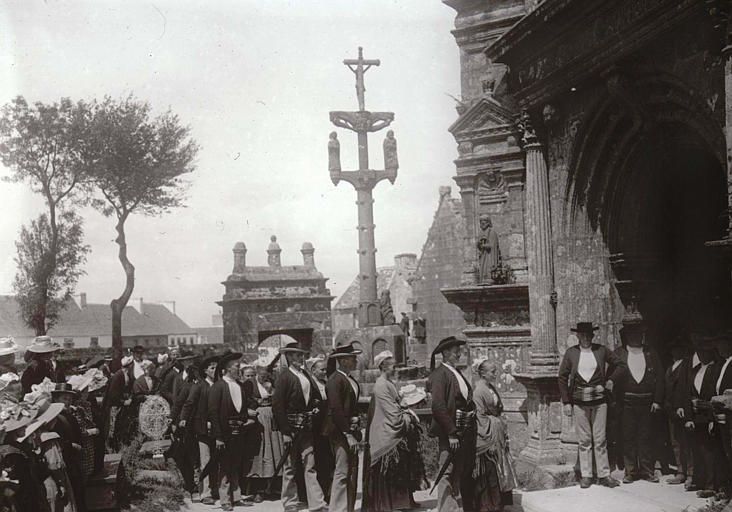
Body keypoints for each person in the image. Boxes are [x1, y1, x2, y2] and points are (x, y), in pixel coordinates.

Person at [557, 321, 625, 489]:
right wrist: (566, 402)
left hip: (600, 402)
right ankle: (586, 475)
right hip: (579, 403)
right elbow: (562, 377)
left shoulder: (601, 350)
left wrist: (610, 380)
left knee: (600, 439)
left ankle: (603, 475)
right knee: (585, 440)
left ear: (592, 336)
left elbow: (621, 365)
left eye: (589, 335)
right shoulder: (571, 353)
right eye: (582, 335)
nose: (586, 338)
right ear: (578, 337)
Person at [363, 351, 426, 512]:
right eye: (392, 365)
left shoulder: (388, 383)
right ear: (383, 366)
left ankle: (402, 501)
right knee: (391, 470)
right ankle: (392, 503)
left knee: (400, 469)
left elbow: (396, 406)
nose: (395, 368)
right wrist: (408, 417)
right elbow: (393, 414)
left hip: (391, 434)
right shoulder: (381, 385)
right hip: (386, 435)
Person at [272, 342, 326, 512]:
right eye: (295, 355)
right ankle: (289, 502)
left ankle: (317, 503)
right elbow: (278, 406)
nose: (299, 358)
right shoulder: (284, 377)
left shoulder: (305, 374)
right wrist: (285, 432)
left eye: (301, 355)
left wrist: (315, 405)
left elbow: (315, 395)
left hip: (306, 426)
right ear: (288, 357)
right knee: (290, 466)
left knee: (310, 464)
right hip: (291, 427)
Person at [428, 336, 475, 512]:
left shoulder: (455, 372)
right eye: (456, 350)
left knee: (457, 470)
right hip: (451, 433)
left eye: (459, 350)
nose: (459, 353)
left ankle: (453, 507)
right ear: (446, 352)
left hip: (463, 431)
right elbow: (438, 406)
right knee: (446, 470)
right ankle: (446, 509)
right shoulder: (440, 375)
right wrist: (451, 433)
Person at [613, 321, 664, 483]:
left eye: (638, 334)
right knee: (628, 437)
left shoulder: (650, 353)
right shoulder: (619, 353)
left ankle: (647, 471)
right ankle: (630, 471)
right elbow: (611, 377)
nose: (635, 337)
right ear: (626, 336)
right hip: (627, 403)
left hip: (647, 403)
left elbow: (661, 378)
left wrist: (657, 400)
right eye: (631, 334)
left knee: (645, 437)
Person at [208, 351, 258, 511]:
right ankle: (225, 500)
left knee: (236, 464)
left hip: (239, 433)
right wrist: (218, 437)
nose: (239, 368)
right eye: (237, 366)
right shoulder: (218, 387)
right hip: (224, 434)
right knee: (224, 466)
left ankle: (236, 496)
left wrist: (246, 417)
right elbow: (214, 414)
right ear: (228, 368)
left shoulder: (240, 386)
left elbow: (244, 407)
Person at [683, 335, 726, 497]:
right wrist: (688, 417)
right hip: (696, 418)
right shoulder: (695, 370)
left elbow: (715, 395)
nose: (701, 354)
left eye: (704, 351)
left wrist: (710, 417)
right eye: (699, 351)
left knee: (711, 452)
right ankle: (701, 481)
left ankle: (713, 485)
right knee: (698, 451)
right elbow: (687, 394)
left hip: (709, 416)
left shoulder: (716, 369)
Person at [322, 342, 363, 512]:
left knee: (352, 470)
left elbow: (349, 406)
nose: (356, 361)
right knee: (342, 470)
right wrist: (348, 434)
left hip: (350, 429)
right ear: (343, 360)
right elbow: (336, 409)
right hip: (339, 432)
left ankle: (349, 507)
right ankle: (337, 509)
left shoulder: (349, 379)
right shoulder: (334, 380)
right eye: (353, 358)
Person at [472, 360, 517, 512]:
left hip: (498, 433)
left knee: (501, 467)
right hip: (488, 436)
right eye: (492, 371)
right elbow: (479, 416)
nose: (495, 374)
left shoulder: (490, 387)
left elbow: (497, 408)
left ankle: (503, 502)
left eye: (495, 371)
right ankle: (491, 505)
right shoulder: (478, 391)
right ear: (483, 373)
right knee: (491, 469)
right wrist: (488, 440)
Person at [181, 354, 220, 505]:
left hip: (218, 430)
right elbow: (189, 403)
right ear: (205, 371)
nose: (215, 370)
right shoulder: (199, 386)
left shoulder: (219, 385)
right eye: (212, 368)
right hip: (203, 429)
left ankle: (216, 489)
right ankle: (206, 493)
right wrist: (183, 419)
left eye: (216, 367)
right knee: (205, 460)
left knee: (217, 460)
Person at [247, 362, 283, 502]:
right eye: (261, 374)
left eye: (266, 375)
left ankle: (274, 486)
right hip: (260, 420)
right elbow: (245, 400)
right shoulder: (250, 384)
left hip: (273, 420)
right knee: (262, 453)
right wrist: (258, 402)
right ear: (257, 373)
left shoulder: (273, 383)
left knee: (275, 452)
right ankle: (259, 489)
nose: (264, 377)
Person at [665, 334, 693, 485]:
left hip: (681, 408)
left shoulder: (687, 365)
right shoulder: (670, 367)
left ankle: (690, 473)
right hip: (670, 409)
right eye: (673, 349)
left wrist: (683, 406)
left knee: (686, 442)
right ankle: (680, 471)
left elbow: (686, 388)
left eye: (678, 349)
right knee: (675, 442)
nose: (675, 352)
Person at [308, 357, 334, 502]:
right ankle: (316, 494)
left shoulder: (326, 383)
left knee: (328, 460)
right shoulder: (310, 385)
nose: (325, 372)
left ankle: (327, 491)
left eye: (325, 369)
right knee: (317, 460)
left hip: (327, 427)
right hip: (315, 428)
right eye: (322, 369)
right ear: (313, 370)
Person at [102, 354, 134, 451]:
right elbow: (113, 395)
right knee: (112, 428)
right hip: (113, 406)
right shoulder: (118, 376)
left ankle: (116, 446)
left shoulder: (125, 374)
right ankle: (110, 448)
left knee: (117, 427)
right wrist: (124, 402)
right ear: (130, 366)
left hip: (117, 405)